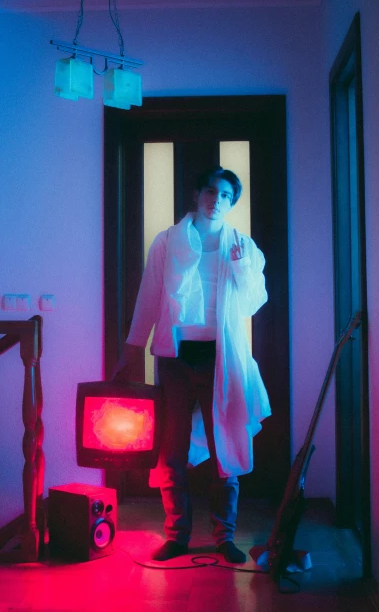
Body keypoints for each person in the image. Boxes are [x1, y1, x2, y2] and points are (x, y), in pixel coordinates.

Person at [113, 165, 271, 563]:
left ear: (232, 203)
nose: (216, 200)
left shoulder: (244, 246)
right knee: (172, 449)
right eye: (210, 191)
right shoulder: (168, 242)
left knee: (226, 450)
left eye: (225, 196)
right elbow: (148, 298)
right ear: (198, 194)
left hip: (222, 359)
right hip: (176, 360)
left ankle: (224, 536)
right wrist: (130, 351)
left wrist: (240, 266)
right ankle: (176, 535)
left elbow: (254, 301)